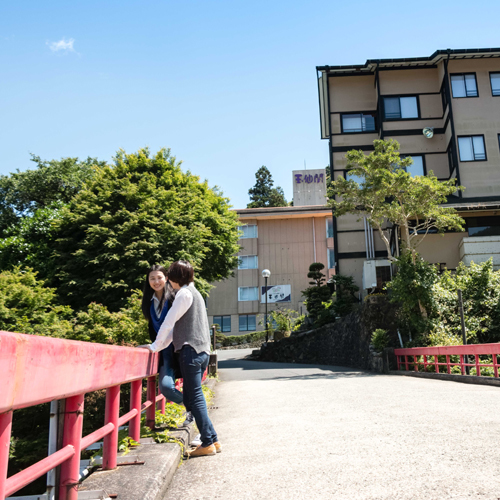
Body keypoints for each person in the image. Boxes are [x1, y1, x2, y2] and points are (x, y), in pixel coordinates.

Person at [139, 260, 221, 457]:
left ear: (175, 278)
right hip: (202, 350)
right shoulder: (196, 292)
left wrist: (153, 347)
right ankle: (213, 440)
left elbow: (168, 324)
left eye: (169, 276)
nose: (167, 280)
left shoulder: (183, 294)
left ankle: (207, 442)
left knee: (195, 398)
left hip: (190, 350)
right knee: (195, 397)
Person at [140, 265, 185, 408]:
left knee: (191, 387)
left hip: (180, 349)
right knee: (166, 387)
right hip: (163, 353)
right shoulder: (149, 303)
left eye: (159, 277)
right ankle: (192, 407)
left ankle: (196, 412)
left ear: (166, 279)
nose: (156, 281)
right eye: (152, 278)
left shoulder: (175, 298)